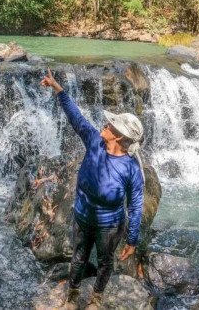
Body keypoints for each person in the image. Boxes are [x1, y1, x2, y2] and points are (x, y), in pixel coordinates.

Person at [40, 68, 145, 310]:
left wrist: (132, 239)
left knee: (106, 261)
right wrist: (58, 89)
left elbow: (137, 204)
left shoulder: (130, 168)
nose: (106, 124)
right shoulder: (94, 141)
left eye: (111, 124)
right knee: (78, 258)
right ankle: (73, 296)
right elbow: (76, 116)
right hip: (82, 217)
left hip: (110, 226)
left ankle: (96, 298)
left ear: (119, 137)